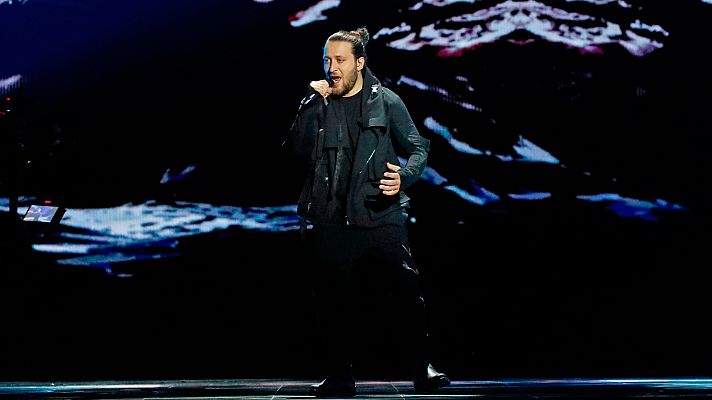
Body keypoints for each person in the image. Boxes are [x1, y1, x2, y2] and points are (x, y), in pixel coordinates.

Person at [283, 26, 450, 397]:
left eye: (340, 60)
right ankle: (340, 375)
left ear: (359, 63)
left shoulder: (386, 101)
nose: (332, 68)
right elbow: (293, 149)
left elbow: (418, 147)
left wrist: (403, 177)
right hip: (330, 216)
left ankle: (422, 367)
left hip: (380, 213)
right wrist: (311, 105)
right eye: (327, 60)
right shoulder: (317, 104)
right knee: (331, 298)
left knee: (407, 291)